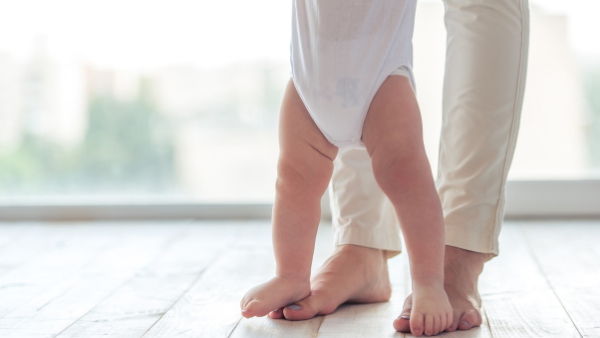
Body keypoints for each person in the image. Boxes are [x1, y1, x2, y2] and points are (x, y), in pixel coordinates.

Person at [265, 0, 530, 333]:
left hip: (383, 78)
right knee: (295, 175)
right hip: (314, 74)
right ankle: (361, 244)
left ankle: (451, 257)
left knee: (403, 169)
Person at [240, 0, 455, 335]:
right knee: (293, 180)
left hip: (381, 77)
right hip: (311, 82)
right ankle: (291, 275)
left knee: (407, 177)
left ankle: (429, 282)